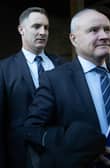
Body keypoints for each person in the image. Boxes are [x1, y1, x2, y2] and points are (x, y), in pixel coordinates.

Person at [24, 9, 110, 168]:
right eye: (94, 30)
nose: (105, 36)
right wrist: (84, 149)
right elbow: (33, 129)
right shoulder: (54, 79)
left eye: (107, 29)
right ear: (74, 39)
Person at [0, 7, 64, 168]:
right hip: (23, 154)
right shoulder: (4, 69)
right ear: (21, 29)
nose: (43, 32)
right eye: (36, 26)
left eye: (46, 27)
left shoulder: (62, 65)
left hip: (62, 150)